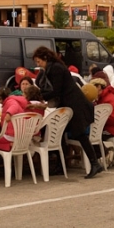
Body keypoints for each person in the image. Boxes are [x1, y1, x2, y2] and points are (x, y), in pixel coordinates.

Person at [33, 46, 102, 179]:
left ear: (45, 58)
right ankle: (61, 164)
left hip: (75, 104)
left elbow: (57, 91)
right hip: (69, 104)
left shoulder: (56, 69)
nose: (38, 65)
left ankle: (94, 163)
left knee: (80, 134)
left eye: (39, 61)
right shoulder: (52, 68)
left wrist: (40, 96)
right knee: (60, 133)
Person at [90, 77, 114, 167]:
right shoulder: (103, 98)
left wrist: (98, 119)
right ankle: (104, 153)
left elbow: (113, 119)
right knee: (92, 134)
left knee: (91, 136)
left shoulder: (109, 100)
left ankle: (105, 153)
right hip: (112, 126)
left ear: (99, 87)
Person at [0, 87, 29, 152]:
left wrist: (9, 113)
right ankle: (11, 147)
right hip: (20, 134)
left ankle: (11, 146)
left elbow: (14, 106)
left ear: (1, 97)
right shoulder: (12, 100)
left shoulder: (10, 101)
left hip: (12, 134)